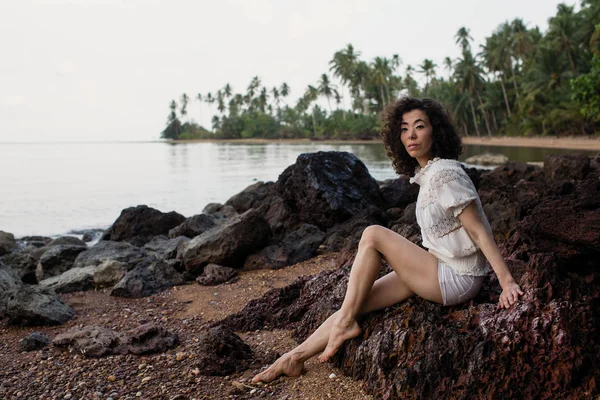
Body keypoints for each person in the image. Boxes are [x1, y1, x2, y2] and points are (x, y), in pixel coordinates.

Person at [252, 97, 524, 384]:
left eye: (419, 126)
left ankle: (344, 325)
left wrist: (506, 282)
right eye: (405, 129)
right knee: (356, 302)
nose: (411, 135)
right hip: (439, 266)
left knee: (372, 235)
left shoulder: (444, 174)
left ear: (436, 131)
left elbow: (480, 231)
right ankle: (292, 358)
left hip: (458, 278)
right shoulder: (429, 174)